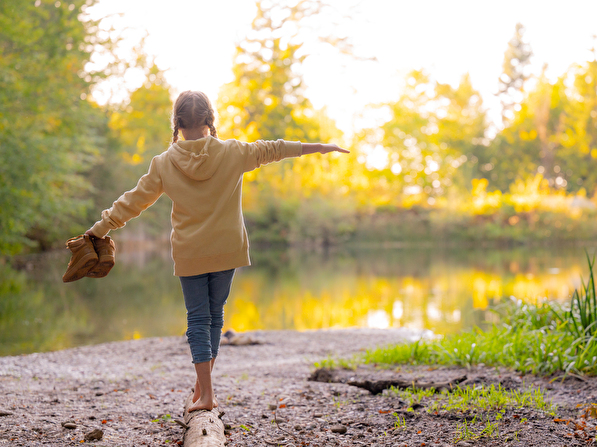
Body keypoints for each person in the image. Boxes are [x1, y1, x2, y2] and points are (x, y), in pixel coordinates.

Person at [84, 90, 349, 412]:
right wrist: (319, 148)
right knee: (214, 318)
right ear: (210, 119)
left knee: (198, 319)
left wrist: (100, 228)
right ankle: (204, 389)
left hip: (190, 251)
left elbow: (134, 200)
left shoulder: (165, 162)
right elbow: (275, 149)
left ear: (177, 122)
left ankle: (204, 392)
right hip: (227, 249)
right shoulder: (233, 152)